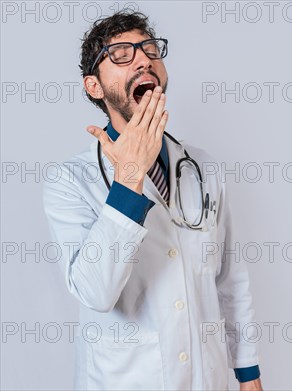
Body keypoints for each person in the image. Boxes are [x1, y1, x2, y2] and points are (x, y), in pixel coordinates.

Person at [42, 10, 263, 390]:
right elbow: (95, 291)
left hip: (205, 378)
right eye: (123, 54)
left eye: (149, 49)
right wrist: (128, 181)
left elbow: (229, 279)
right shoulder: (69, 180)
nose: (144, 59)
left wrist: (248, 373)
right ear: (94, 86)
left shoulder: (203, 166)